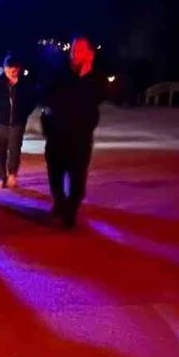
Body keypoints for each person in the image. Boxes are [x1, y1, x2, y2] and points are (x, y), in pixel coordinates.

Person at [40, 35, 108, 228]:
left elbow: (99, 96)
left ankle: (70, 213)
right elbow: (46, 94)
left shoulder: (95, 78)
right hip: (57, 135)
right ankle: (60, 203)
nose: (75, 54)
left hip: (80, 137)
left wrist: (87, 74)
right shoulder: (60, 72)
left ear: (89, 53)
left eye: (80, 50)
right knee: (55, 175)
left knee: (77, 178)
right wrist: (47, 122)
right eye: (74, 50)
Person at [0, 54, 36, 188]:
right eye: (8, 70)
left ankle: (12, 174)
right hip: (1, 122)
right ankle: (1, 177)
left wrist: (24, 113)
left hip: (17, 123)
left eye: (13, 71)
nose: (10, 74)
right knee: (0, 150)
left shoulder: (25, 84)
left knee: (15, 149)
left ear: (18, 69)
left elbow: (32, 101)